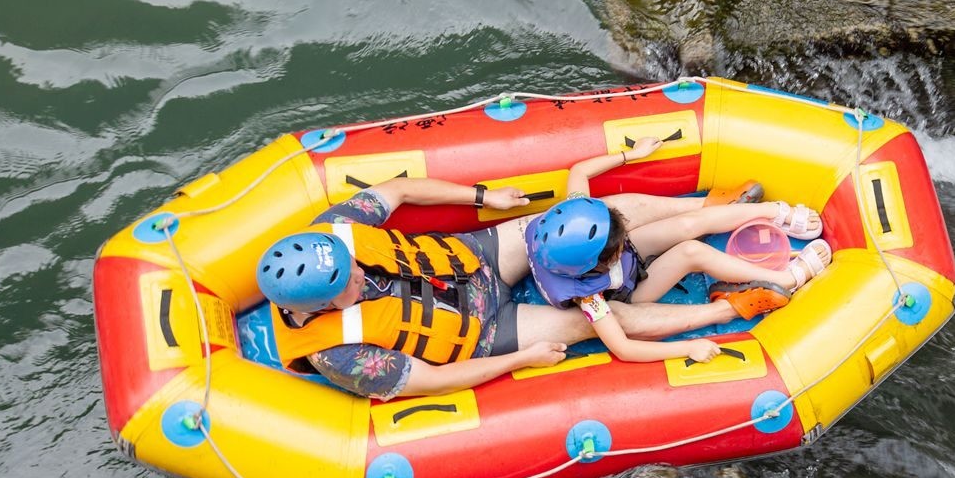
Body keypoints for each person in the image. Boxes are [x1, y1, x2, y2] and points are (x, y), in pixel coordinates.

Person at [256, 166, 771, 398]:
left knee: (581, 217)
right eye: (350, 282)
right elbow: (431, 381)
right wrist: (521, 359)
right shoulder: (340, 356)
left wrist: (481, 197)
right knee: (596, 320)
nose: (362, 271)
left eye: (354, 262)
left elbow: (401, 189)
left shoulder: (332, 233)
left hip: (471, 260)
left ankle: (706, 208)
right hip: (479, 329)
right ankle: (730, 309)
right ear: (323, 307)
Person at [517, 138, 832, 364]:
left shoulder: (570, 216)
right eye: (617, 240)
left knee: (687, 224)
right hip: (626, 292)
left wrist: (630, 154)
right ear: (601, 260)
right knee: (691, 251)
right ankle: (785, 278)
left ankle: (771, 211)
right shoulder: (590, 299)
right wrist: (685, 349)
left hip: (621, 264)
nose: (624, 233)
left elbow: (579, 172)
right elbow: (624, 349)